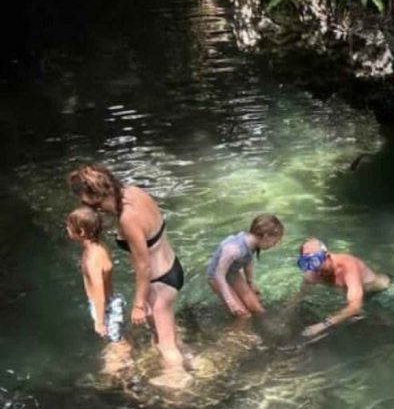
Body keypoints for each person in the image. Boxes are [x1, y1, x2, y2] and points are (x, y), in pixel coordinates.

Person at [68, 164, 191, 388]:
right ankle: (187, 361)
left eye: (83, 198)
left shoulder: (127, 218)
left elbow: (143, 266)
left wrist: (138, 304)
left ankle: (179, 383)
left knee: (166, 344)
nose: (82, 203)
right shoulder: (133, 192)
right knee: (164, 334)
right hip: (172, 267)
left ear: (93, 195)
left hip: (158, 282)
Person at [293, 237, 394, 338]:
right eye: (306, 263)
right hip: (360, 295)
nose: (315, 271)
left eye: (316, 262)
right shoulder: (313, 273)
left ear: (327, 256)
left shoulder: (348, 266)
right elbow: (300, 295)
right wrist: (286, 311)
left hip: (385, 293)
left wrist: (322, 325)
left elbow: (355, 306)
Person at [66, 207, 132, 376]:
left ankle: (127, 378)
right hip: (110, 303)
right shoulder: (98, 247)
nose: (66, 229)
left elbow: (99, 293)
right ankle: (124, 361)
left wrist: (99, 321)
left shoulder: (93, 259)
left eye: (69, 227)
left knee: (116, 342)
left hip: (106, 306)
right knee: (115, 337)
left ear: (81, 231)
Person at [207, 214, 284, 317]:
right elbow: (219, 275)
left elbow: (247, 260)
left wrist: (250, 283)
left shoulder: (251, 243)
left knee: (259, 310)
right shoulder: (233, 249)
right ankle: (235, 333)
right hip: (217, 278)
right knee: (243, 315)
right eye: (274, 242)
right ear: (266, 236)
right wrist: (231, 302)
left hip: (232, 273)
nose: (274, 245)